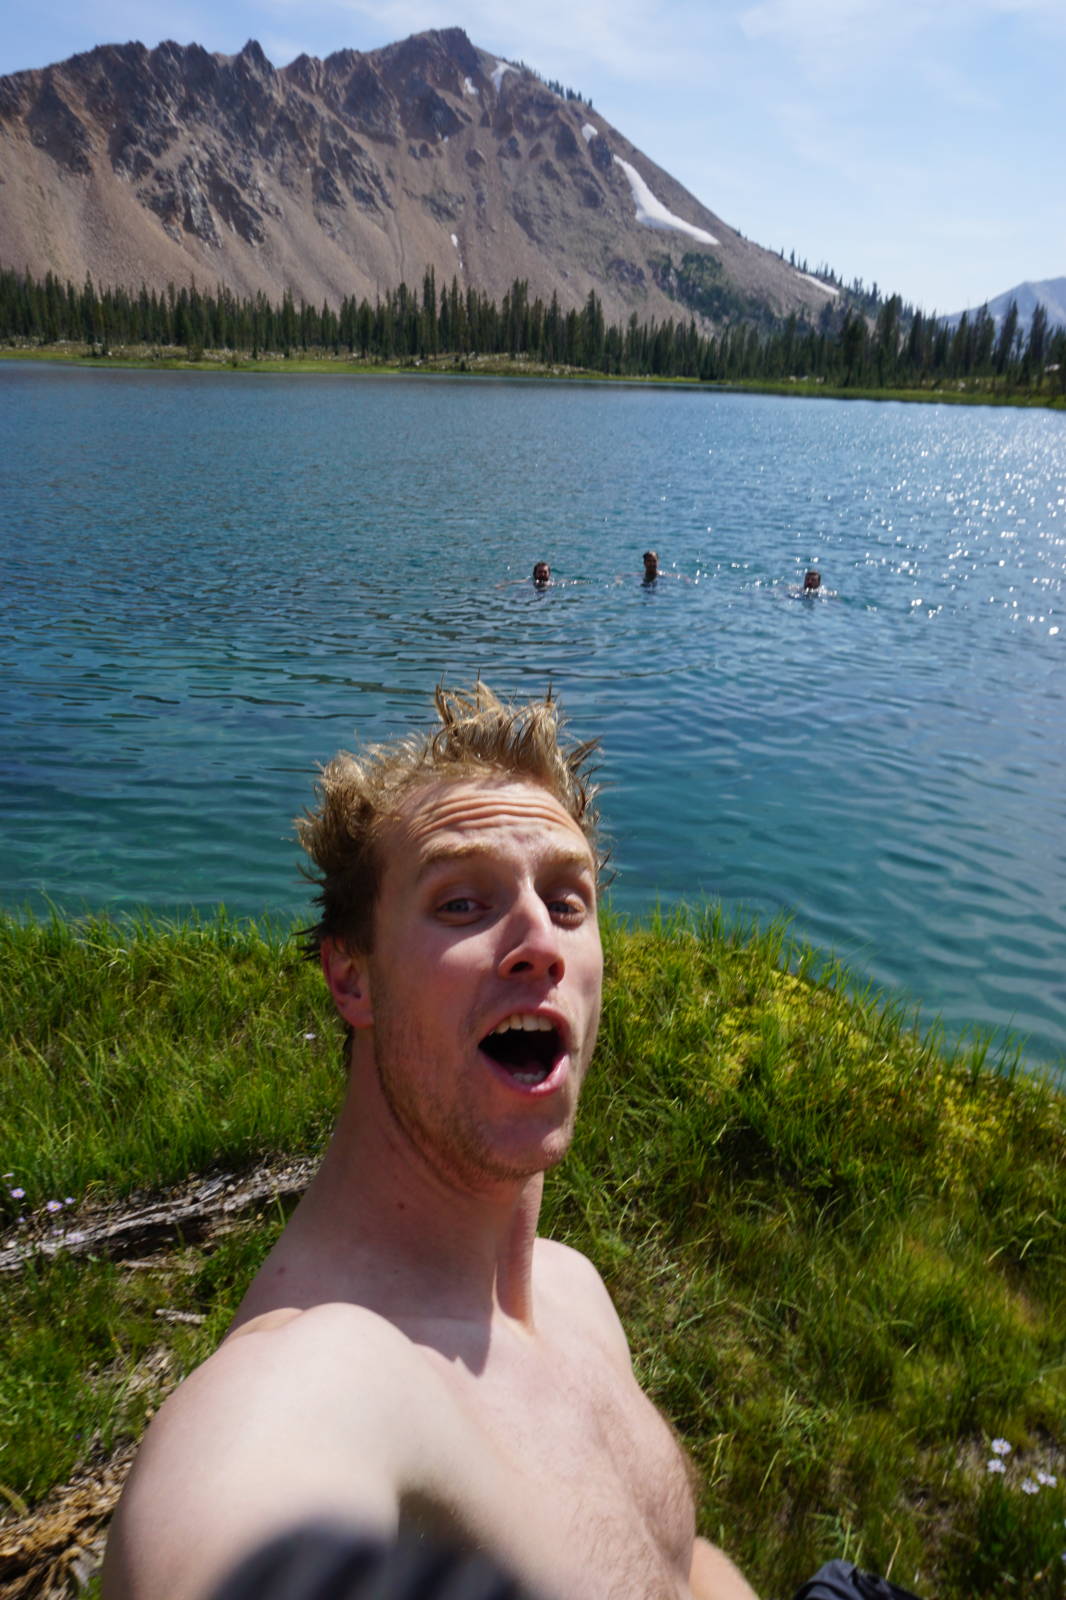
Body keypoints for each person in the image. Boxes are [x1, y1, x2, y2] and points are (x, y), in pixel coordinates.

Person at [102, 684, 759, 1600]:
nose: (540, 941)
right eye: (461, 904)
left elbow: (675, 1567)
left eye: (568, 901)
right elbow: (230, 1520)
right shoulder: (325, 1368)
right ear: (352, 978)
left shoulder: (571, 1290)